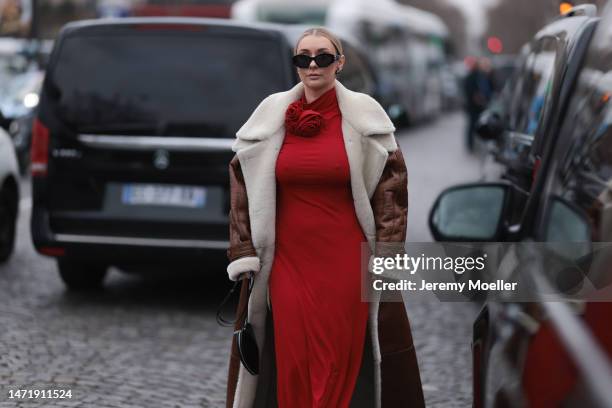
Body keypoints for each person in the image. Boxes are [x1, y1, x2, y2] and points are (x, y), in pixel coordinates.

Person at [224, 27, 424, 408]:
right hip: (285, 262)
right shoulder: (270, 116)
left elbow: (392, 190)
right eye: (303, 57)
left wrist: (387, 252)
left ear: (340, 62)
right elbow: (241, 186)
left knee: (337, 358)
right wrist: (243, 249)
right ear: (296, 63)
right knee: (293, 357)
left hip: (347, 261)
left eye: (323, 57)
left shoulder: (365, 117)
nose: (313, 65)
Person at [463, 57, 493, 152]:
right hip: (474, 106)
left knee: (474, 126)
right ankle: (471, 145)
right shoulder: (473, 76)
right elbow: (472, 92)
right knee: (473, 125)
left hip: (477, 106)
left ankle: (473, 145)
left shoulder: (480, 75)